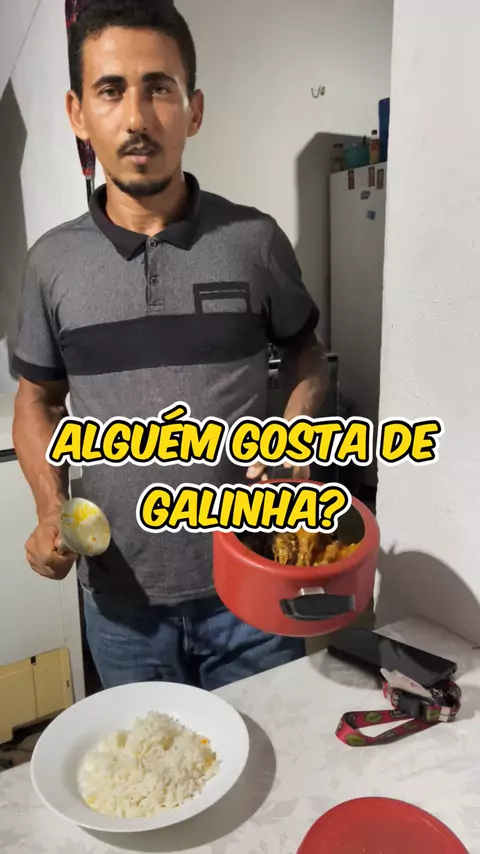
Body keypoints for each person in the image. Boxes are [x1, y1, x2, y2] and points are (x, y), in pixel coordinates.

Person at [12, 0, 329, 691]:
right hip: (122, 607)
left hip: (254, 586)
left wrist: (296, 438)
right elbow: (36, 399)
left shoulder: (254, 242)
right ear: (76, 114)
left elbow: (306, 356)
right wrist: (47, 507)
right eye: (110, 90)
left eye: (159, 87)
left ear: (194, 110)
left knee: (272, 757)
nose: (136, 117)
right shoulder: (51, 264)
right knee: (149, 761)